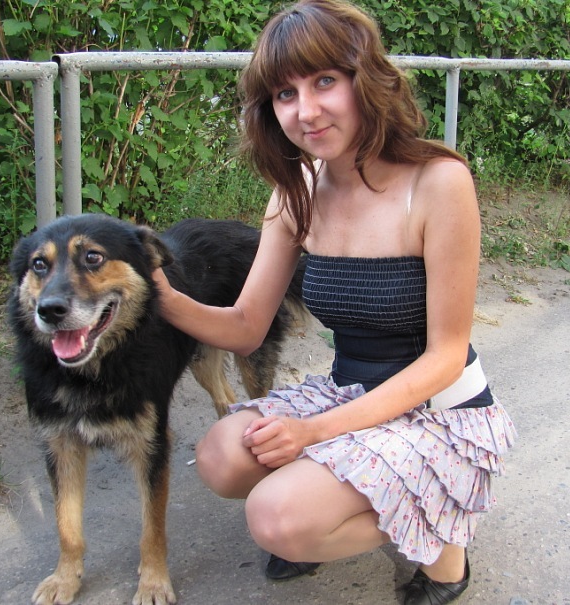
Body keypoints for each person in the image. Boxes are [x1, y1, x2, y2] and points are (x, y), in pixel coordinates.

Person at [152, 1, 516, 603]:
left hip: (436, 409)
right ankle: (338, 500)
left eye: (325, 81)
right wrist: (159, 294)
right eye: (285, 93)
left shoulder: (437, 182)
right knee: (220, 456)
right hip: (351, 392)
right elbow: (245, 327)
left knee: (278, 518)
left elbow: (446, 357)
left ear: (365, 79)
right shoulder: (296, 190)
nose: (306, 110)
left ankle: (447, 540)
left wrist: (311, 433)